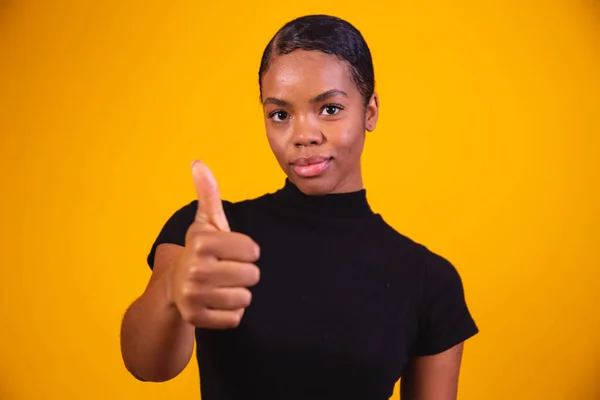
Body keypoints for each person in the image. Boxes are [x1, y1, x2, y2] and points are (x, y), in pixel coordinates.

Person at [120, 14, 478, 400]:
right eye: (281, 114)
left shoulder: (429, 280)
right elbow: (147, 366)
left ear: (370, 111)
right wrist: (173, 291)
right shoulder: (212, 234)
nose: (303, 135)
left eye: (330, 109)